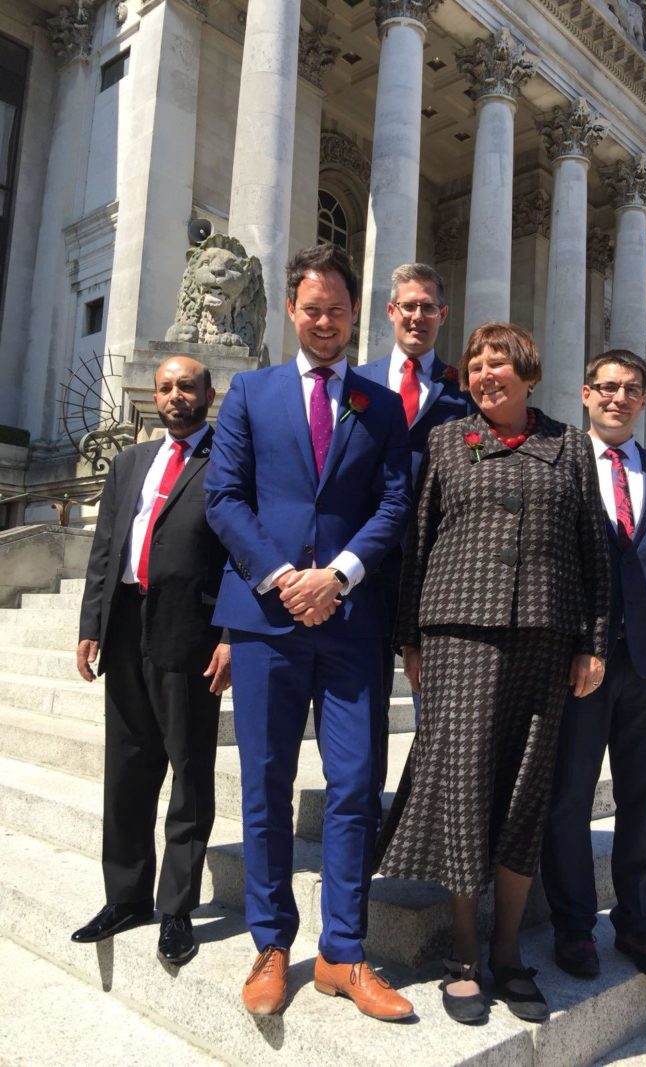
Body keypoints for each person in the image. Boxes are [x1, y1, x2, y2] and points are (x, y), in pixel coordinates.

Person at [376, 322, 610, 1025]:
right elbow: (417, 541)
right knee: (466, 789)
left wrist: (593, 641)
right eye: (476, 364)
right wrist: (408, 638)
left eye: (499, 363)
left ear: (528, 372)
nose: (484, 374)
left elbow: (593, 552)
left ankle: (509, 953)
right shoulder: (446, 440)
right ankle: (464, 954)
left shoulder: (569, 445)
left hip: (545, 635)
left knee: (525, 794)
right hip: (458, 637)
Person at [204, 243, 413, 1021]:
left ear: (356, 313)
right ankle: (270, 941)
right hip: (266, 619)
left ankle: (343, 951)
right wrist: (286, 577)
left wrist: (341, 574)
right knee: (265, 782)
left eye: (336, 308)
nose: (324, 321)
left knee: (356, 784)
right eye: (311, 308)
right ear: (293, 311)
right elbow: (225, 499)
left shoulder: (380, 405)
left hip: (352, 621)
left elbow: (393, 505)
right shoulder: (251, 394)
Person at [541, 349, 646, 983]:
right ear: (585, 394)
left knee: (644, 797)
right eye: (607, 387)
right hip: (576, 665)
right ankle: (574, 926)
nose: (618, 397)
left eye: (631, 389)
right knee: (569, 799)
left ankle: (638, 923)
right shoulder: (559, 466)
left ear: (643, 401)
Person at [71, 357, 231, 967]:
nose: (173, 395)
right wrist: (91, 626)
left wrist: (231, 634)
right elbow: (105, 547)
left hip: (189, 633)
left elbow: (239, 555)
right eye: (165, 387)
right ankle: (127, 895)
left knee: (189, 774)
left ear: (208, 394)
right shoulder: (130, 462)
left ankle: (177, 909)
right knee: (128, 769)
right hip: (125, 629)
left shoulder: (227, 460)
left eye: (186, 385)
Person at [355, 263, 472, 738]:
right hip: (364, 560)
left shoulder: (463, 391)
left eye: (428, 307)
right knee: (362, 699)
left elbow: (475, 463)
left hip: (433, 563)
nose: (417, 317)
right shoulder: (356, 382)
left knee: (434, 701)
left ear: (443, 314)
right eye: (409, 306)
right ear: (391, 311)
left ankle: (425, 806)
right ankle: (363, 801)